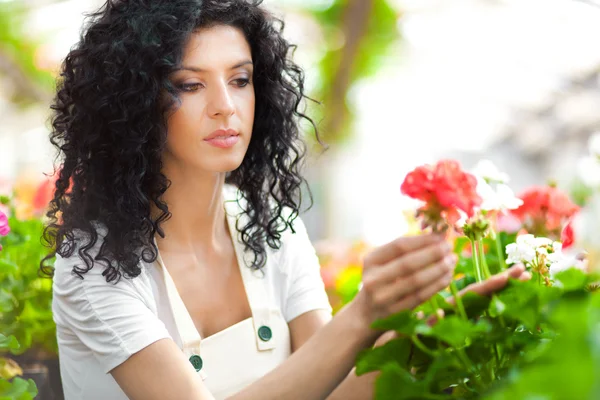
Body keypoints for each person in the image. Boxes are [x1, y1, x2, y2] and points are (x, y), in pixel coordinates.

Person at [42, 1, 529, 399]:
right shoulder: (94, 265)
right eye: (190, 85)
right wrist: (361, 314)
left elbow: (330, 386)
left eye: (239, 79)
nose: (225, 107)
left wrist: (424, 341)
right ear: (132, 105)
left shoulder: (271, 226)